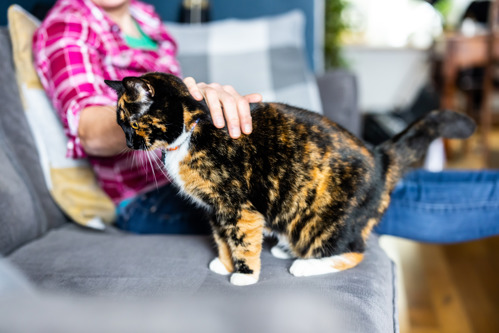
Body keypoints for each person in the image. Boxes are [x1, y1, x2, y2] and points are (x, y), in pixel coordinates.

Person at [35, 0, 499, 243]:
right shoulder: (68, 25)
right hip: (148, 197)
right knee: (358, 196)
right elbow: (91, 130)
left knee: (357, 170)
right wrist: (162, 115)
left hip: (201, 167)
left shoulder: (148, 20)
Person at [34, 0, 261, 234]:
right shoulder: (68, 23)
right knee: (260, 206)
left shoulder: (145, 16)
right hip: (143, 198)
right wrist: (171, 105)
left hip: (182, 171)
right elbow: (89, 133)